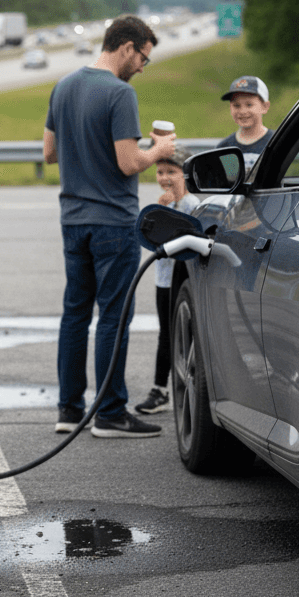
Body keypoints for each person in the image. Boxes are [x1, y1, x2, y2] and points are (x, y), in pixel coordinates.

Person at [43, 15, 176, 438]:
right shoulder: (120, 94)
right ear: (127, 47)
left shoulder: (63, 86)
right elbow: (128, 162)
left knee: (75, 314)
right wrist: (159, 150)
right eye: (143, 58)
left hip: (72, 219)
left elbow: (49, 153)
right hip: (112, 223)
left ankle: (69, 409)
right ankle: (110, 413)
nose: (142, 67)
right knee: (113, 317)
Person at [135, 146, 199, 414]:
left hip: (185, 282)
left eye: (171, 171)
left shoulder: (193, 206)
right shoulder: (163, 206)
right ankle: (160, 390)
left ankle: (191, 385)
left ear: (185, 173)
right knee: (166, 334)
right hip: (164, 280)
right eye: (160, 172)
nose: (164, 178)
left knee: (188, 333)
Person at [217, 75, 273, 173]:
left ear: (265, 106)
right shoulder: (224, 148)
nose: (242, 111)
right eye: (236, 105)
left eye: (249, 104)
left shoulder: (275, 142)